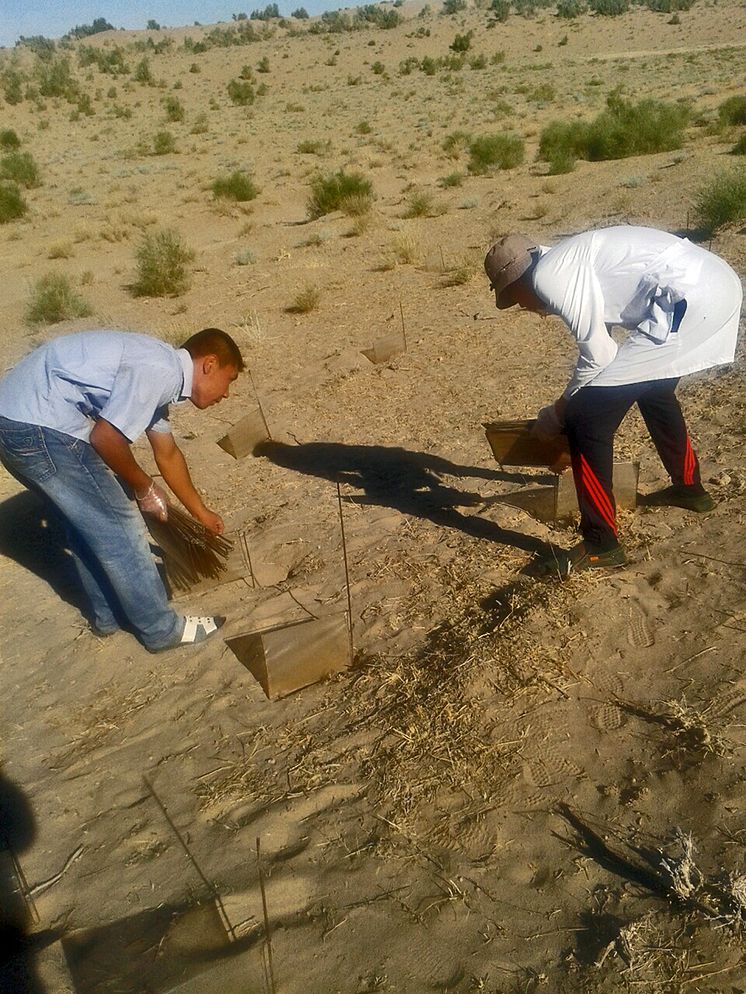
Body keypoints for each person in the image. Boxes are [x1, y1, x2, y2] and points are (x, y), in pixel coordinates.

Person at [484, 226, 743, 576]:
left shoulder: (550, 276)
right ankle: (689, 490)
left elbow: (599, 356)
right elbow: (606, 349)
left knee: (586, 418)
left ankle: (600, 542)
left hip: (689, 300)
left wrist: (558, 416)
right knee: (653, 388)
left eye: (515, 300)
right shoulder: (566, 262)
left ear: (519, 283)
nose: (524, 308)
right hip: (715, 287)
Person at [0, 327, 244, 650]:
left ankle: (108, 616)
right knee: (120, 526)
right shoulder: (160, 371)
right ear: (209, 364)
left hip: (13, 420)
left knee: (87, 524)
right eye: (229, 381)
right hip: (39, 427)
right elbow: (105, 438)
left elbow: (168, 454)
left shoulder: (161, 370)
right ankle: (160, 629)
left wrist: (201, 513)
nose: (226, 394)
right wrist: (144, 488)